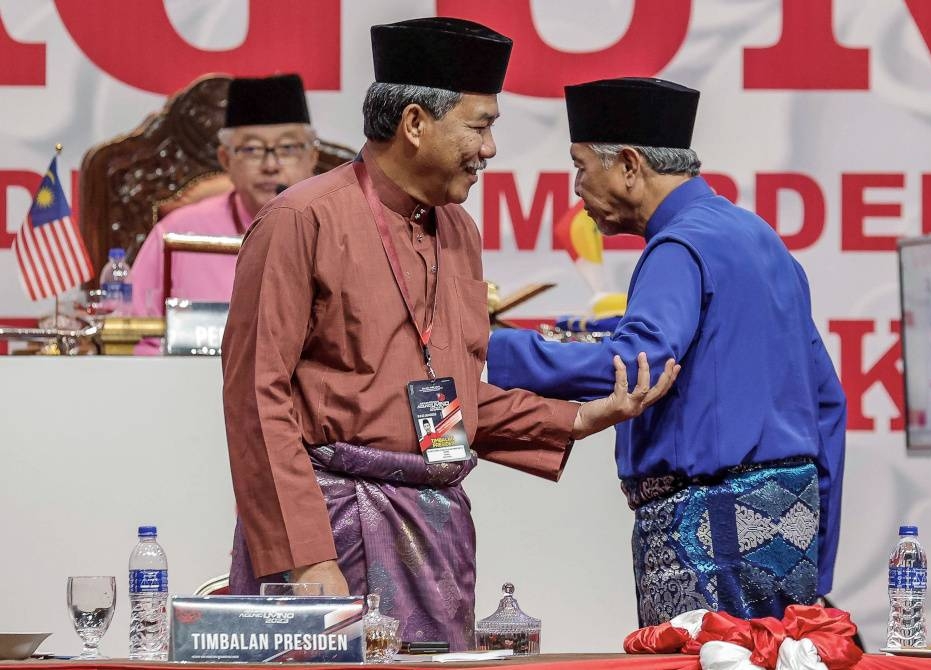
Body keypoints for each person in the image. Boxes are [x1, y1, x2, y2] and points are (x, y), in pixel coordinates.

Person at [221, 19, 678, 649]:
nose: (490, 148)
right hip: (333, 535)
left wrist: (574, 419)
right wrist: (305, 554)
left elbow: (440, 402)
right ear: (415, 123)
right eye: (481, 124)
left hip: (435, 533)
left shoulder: (458, 230)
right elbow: (255, 398)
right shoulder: (301, 220)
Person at [487, 77, 847, 625]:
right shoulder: (761, 239)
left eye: (582, 166)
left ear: (629, 165)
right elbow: (828, 403)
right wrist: (817, 564)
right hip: (789, 528)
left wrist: (490, 352)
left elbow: (637, 364)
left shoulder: (678, 246)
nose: (577, 187)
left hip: (707, 527)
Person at [128, 73, 318, 353]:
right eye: (252, 149)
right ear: (226, 160)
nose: (270, 166)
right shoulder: (178, 234)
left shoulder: (342, 231)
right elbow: (133, 337)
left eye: (287, 148)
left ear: (311, 157)